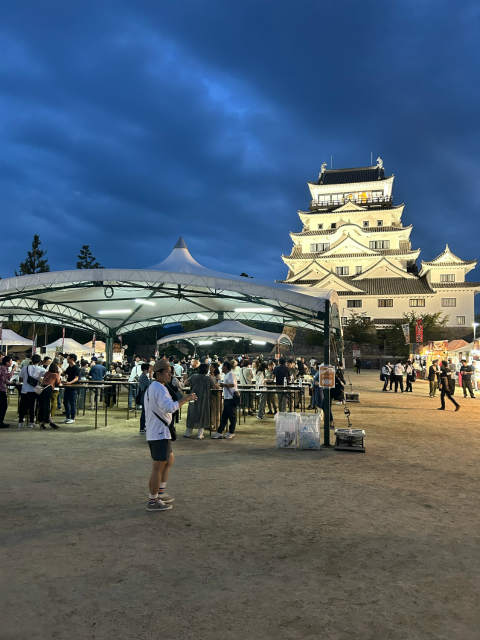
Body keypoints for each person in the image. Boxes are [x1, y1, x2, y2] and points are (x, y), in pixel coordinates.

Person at [144, 360, 197, 512]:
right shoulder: (159, 388)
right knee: (158, 466)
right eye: (167, 372)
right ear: (159, 373)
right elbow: (169, 407)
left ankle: (159, 493)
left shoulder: (155, 387)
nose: (170, 374)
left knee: (169, 460)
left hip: (158, 431)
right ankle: (153, 500)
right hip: (159, 432)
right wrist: (186, 399)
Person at [184, 363, 218, 439]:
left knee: (191, 414)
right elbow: (215, 387)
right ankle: (200, 434)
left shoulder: (193, 376)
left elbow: (185, 382)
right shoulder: (208, 378)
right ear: (206, 370)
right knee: (203, 414)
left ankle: (188, 432)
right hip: (204, 399)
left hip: (193, 397)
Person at [212, 361, 238, 439]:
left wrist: (223, 385)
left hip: (231, 398)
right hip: (227, 398)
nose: (221, 368)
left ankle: (231, 432)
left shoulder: (231, 374)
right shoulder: (226, 375)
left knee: (231, 416)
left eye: (223, 366)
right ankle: (220, 432)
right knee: (224, 416)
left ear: (226, 367)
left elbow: (232, 384)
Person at [18, 354, 44, 428]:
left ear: (31, 360)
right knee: (32, 407)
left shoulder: (24, 368)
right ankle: (31, 422)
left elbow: (20, 379)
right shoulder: (41, 369)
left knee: (23, 406)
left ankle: (20, 422)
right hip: (34, 390)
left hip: (24, 390)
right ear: (39, 361)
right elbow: (44, 379)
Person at [38, 362, 61, 429]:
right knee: (47, 406)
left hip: (41, 390)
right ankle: (49, 421)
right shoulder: (56, 374)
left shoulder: (47, 373)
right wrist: (59, 374)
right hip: (48, 390)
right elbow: (58, 383)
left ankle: (43, 422)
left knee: (42, 406)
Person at [63, 354, 80, 424]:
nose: (67, 359)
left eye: (68, 358)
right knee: (65, 402)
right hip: (68, 386)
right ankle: (68, 417)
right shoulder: (69, 367)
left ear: (72, 359)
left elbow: (77, 378)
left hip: (73, 388)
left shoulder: (76, 368)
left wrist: (70, 383)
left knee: (72, 403)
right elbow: (64, 373)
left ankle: (72, 418)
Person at [0, 356, 14, 427]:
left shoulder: (3, 368)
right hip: (1, 390)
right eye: (11, 361)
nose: (11, 363)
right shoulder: (3, 368)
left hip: (2, 389)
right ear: (7, 362)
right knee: (3, 406)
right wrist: (13, 370)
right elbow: (6, 379)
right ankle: (0, 422)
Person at [138, 362, 152, 433]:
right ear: (146, 369)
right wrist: (151, 378)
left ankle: (143, 427)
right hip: (144, 396)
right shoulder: (144, 377)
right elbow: (149, 385)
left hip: (144, 396)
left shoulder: (143, 376)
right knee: (144, 412)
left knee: (145, 412)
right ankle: (142, 428)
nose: (150, 369)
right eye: (149, 368)